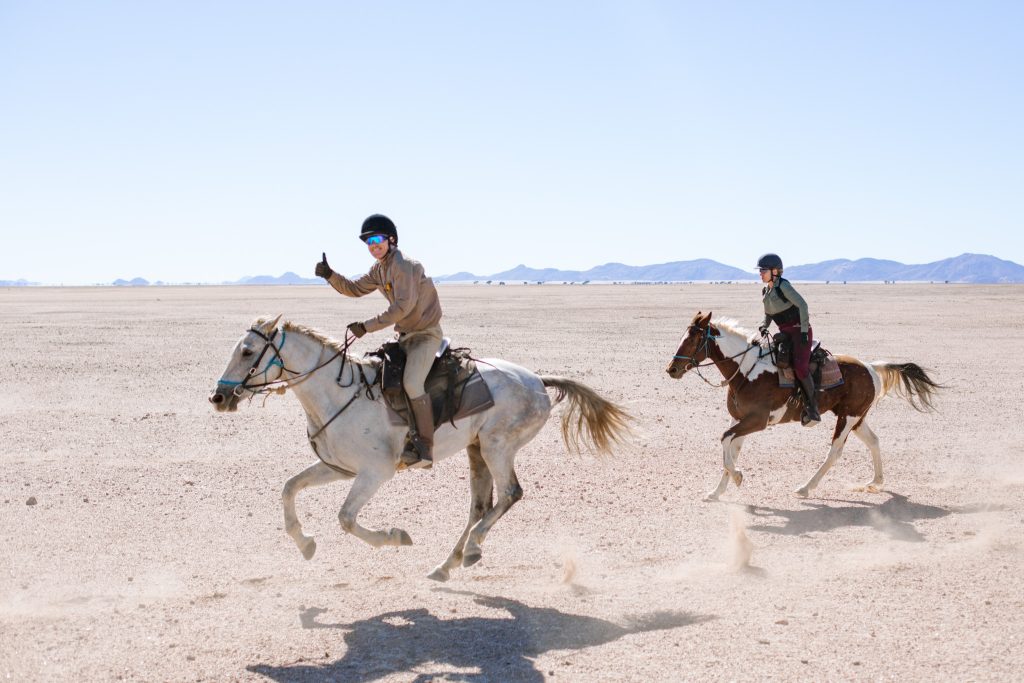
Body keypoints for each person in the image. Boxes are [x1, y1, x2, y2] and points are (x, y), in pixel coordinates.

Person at [315, 214, 444, 468]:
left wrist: (366, 327)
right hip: (405, 336)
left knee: (412, 382)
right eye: (368, 243)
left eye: (377, 240)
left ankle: (425, 448)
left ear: (391, 239)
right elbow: (355, 289)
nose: (373, 246)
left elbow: (402, 308)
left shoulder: (404, 265)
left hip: (426, 335)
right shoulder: (380, 268)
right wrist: (331, 275)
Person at [756, 253, 821, 426]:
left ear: (775, 271)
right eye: (760, 270)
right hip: (784, 334)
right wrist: (764, 326)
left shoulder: (783, 286)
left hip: (800, 332)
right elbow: (768, 313)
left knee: (800, 368)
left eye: (763, 270)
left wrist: (805, 330)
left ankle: (813, 409)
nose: (760, 273)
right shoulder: (766, 291)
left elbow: (803, 305)